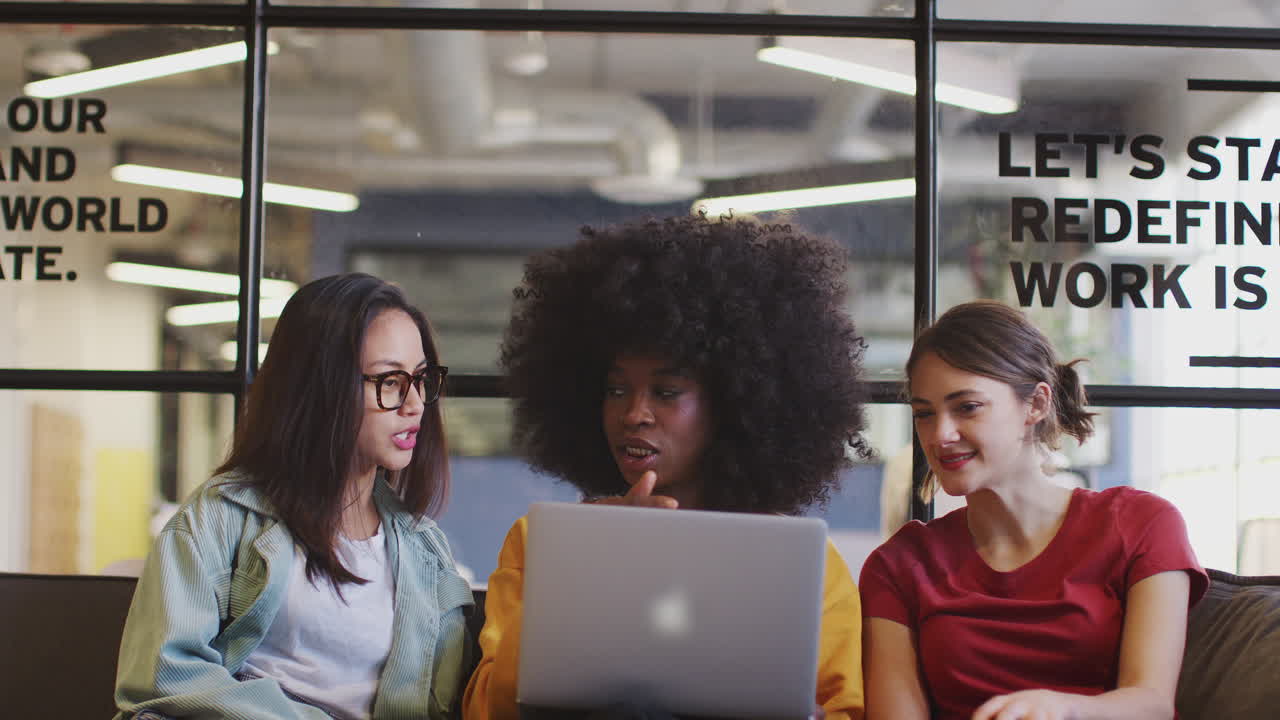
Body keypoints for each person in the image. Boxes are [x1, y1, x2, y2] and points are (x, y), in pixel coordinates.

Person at [462, 214, 871, 720]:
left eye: (666, 391)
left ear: (733, 403)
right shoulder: (541, 543)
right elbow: (486, 709)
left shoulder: (802, 566)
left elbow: (842, 711)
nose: (633, 413)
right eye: (616, 389)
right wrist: (591, 564)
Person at [114, 273, 474, 720]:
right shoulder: (220, 518)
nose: (416, 403)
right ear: (321, 386)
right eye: (390, 381)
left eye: (421, 378)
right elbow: (162, 679)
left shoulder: (426, 553)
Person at [859, 300, 1208, 720]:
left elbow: (1151, 704)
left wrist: (1061, 710)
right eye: (924, 414)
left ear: (1036, 404)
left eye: (967, 407)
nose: (940, 434)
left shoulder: (1142, 525)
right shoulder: (899, 565)